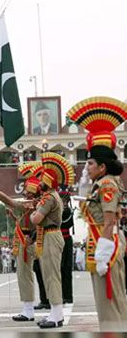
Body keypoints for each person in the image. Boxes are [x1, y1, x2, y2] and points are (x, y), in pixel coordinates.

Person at [67, 96, 127, 330]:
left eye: (90, 163)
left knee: (109, 305)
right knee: (110, 303)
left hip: (106, 244)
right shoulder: (102, 183)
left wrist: (103, 254)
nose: (86, 168)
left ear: (102, 166)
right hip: (102, 241)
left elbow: (110, 221)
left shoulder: (108, 185)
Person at [0, 161, 41, 322]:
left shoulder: (31, 204)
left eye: (27, 191)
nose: (24, 194)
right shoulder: (33, 204)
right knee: (25, 275)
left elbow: (7, 200)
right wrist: (14, 218)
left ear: (32, 193)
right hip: (26, 241)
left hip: (27, 243)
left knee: (25, 276)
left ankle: (28, 310)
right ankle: (29, 308)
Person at [30, 152, 74, 328]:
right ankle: (54, 313)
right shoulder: (52, 196)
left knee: (52, 276)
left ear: (47, 181)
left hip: (50, 235)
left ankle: (56, 316)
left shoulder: (48, 198)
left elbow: (36, 219)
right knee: (50, 275)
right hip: (49, 235)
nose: (39, 182)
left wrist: (34, 212)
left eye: (42, 179)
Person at [59, 185, 74, 304]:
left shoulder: (67, 210)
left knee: (66, 268)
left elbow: (62, 223)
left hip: (65, 239)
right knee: (60, 268)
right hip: (60, 239)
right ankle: (62, 294)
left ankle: (67, 295)